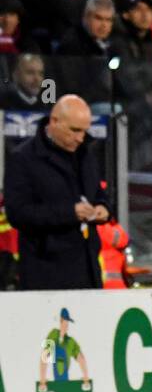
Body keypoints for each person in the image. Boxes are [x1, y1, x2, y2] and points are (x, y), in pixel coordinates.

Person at [4, 95, 112, 290]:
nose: (80, 138)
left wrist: (103, 208)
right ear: (54, 121)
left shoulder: (86, 154)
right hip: (46, 274)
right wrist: (70, 213)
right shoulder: (23, 159)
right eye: (75, 130)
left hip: (88, 269)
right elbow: (18, 213)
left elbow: (98, 193)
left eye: (85, 131)